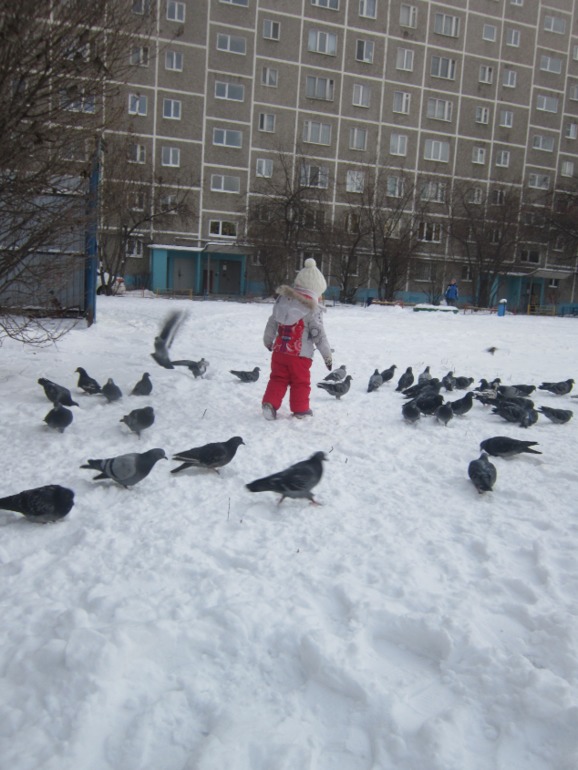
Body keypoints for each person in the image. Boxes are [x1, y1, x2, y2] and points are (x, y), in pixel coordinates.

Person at [261, 258, 332, 420]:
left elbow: (272, 322)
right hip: (300, 356)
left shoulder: (282, 301)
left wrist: (267, 340)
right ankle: (300, 410)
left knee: (278, 378)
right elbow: (319, 335)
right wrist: (327, 355)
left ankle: (270, 404)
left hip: (279, 352)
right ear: (315, 291)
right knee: (300, 382)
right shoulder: (312, 309)